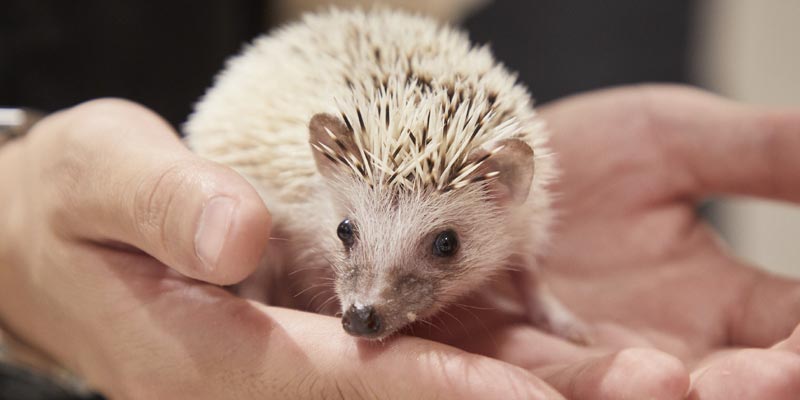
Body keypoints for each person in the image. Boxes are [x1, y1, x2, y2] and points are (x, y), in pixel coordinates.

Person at [0, 83, 798, 399]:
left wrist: (542, 307)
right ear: (324, 177)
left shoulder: (514, 198)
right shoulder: (292, 189)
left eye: (442, 248)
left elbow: (523, 263)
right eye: (348, 238)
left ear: (506, 191)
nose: (366, 300)